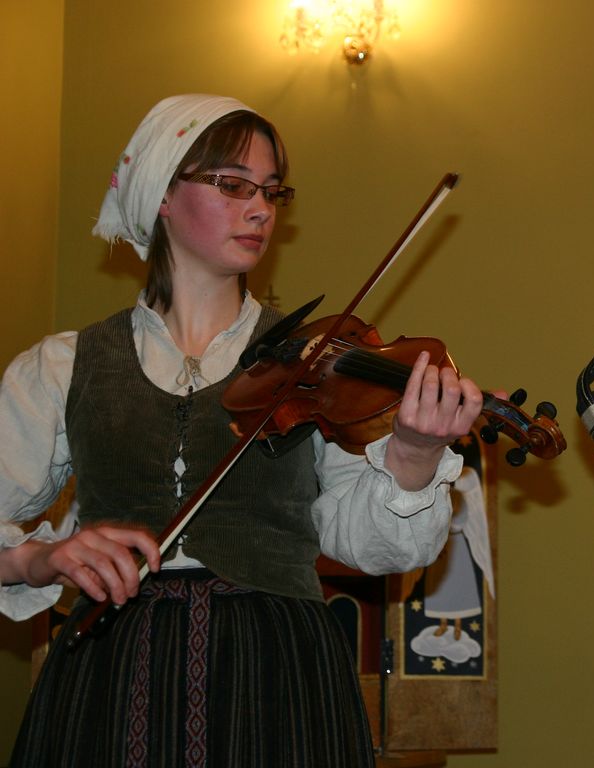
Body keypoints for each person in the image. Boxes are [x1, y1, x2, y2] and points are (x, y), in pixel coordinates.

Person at [0, 94, 485, 767]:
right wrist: (37, 559)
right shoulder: (61, 366)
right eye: (232, 185)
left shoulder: (318, 367)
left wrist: (413, 454)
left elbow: (370, 547)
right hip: (111, 670)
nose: (261, 209)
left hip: (277, 673)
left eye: (271, 190)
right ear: (162, 194)